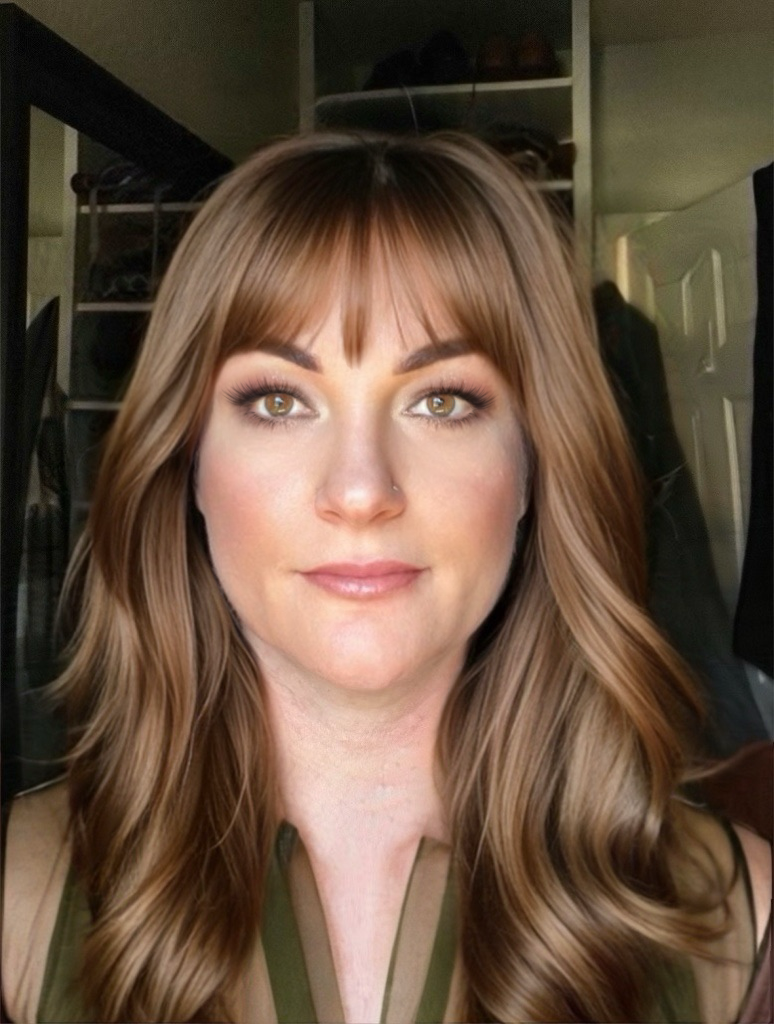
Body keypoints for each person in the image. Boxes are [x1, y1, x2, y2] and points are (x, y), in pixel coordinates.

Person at [2, 132, 770, 1024]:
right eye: (279, 401)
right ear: (189, 466)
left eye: (441, 400)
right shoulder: (20, 899)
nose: (362, 491)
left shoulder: (740, 918)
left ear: (535, 468)